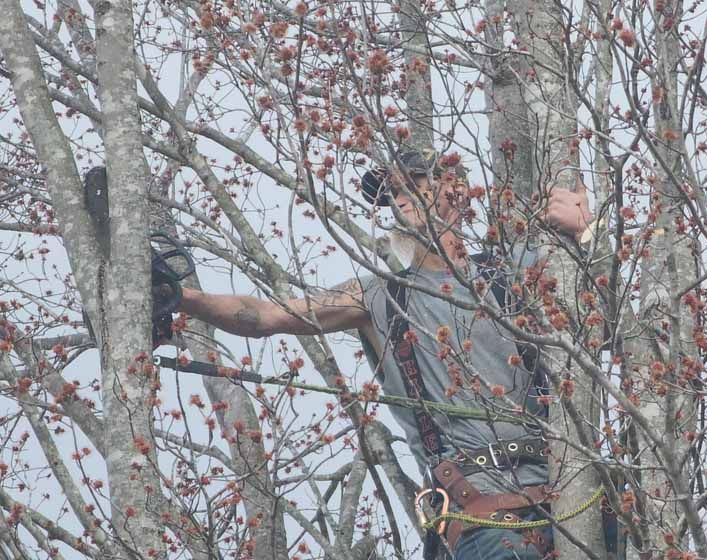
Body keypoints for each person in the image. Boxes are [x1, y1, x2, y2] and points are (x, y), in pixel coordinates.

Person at [176, 149, 596, 559]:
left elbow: (606, 329)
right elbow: (266, 316)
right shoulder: (381, 297)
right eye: (390, 193)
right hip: (485, 517)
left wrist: (584, 233)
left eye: (412, 185)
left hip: (577, 495)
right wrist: (182, 297)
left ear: (457, 188)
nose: (398, 199)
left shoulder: (516, 269)